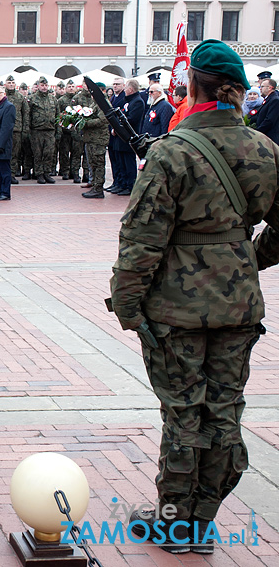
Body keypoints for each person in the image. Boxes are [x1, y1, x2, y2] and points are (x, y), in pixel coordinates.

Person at [111, 40, 275, 555]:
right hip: (238, 306)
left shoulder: (172, 152)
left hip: (176, 309)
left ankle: (173, 524)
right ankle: (201, 522)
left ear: (191, 86)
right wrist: (246, 257)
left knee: (183, 415)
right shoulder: (267, 151)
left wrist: (127, 302)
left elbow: (142, 241)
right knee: (224, 413)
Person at [109, 79, 144, 196]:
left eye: (126, 87)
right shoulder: (127, 101)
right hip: (121, 136)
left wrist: (118, 128)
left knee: (128, 163)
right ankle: (122, 184)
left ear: (131, 89)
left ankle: (130, 185)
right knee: (121, 162)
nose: (124, 90)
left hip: (129, 137)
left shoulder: (138, 102)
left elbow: (131, 119)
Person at [255, 78, 279, 143]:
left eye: (262, 86)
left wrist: (257, 131)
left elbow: (270, 120)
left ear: (269, 88)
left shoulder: (275, 100)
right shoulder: (269, 99)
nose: (260, 88)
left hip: (270, 137)